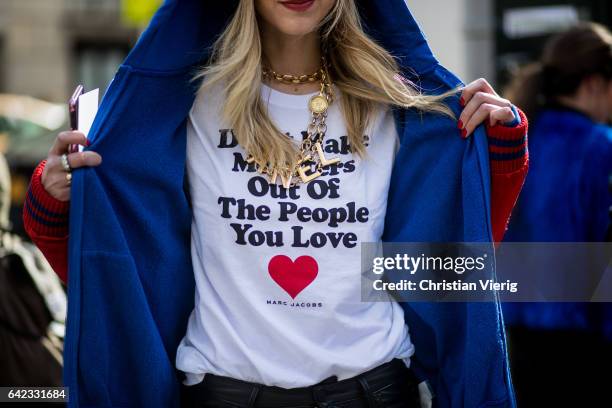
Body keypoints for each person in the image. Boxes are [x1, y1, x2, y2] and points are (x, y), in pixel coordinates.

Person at [23, 1, 528, 407]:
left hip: (374, 390)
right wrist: (57, 195)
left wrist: (495, 156)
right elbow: (118, 268)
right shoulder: (182, 101)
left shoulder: (402, 104)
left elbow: (447, 261)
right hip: (221, 390)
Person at [503, 22, 612, 406]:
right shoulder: (600, 147)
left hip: (515, 331)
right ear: (595, 83)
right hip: (583, 336)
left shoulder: (517, 137)